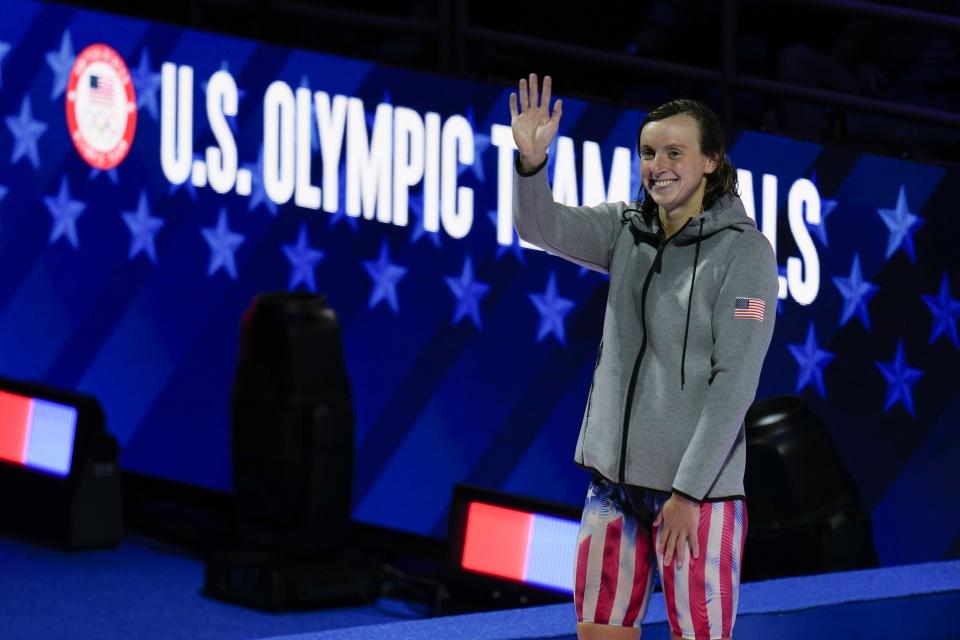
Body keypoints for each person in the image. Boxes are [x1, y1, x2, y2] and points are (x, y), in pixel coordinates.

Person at [510, 74, 778, 640]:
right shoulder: (624, 230)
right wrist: (531, 163)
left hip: (698, 497)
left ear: (710, 161)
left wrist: (687, 493)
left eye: (675, 152)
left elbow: (734, 382)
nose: (658, 165)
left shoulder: (746, 255)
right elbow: (539, 226)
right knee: (600, 633)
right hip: (613, 485)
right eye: (649, 152)